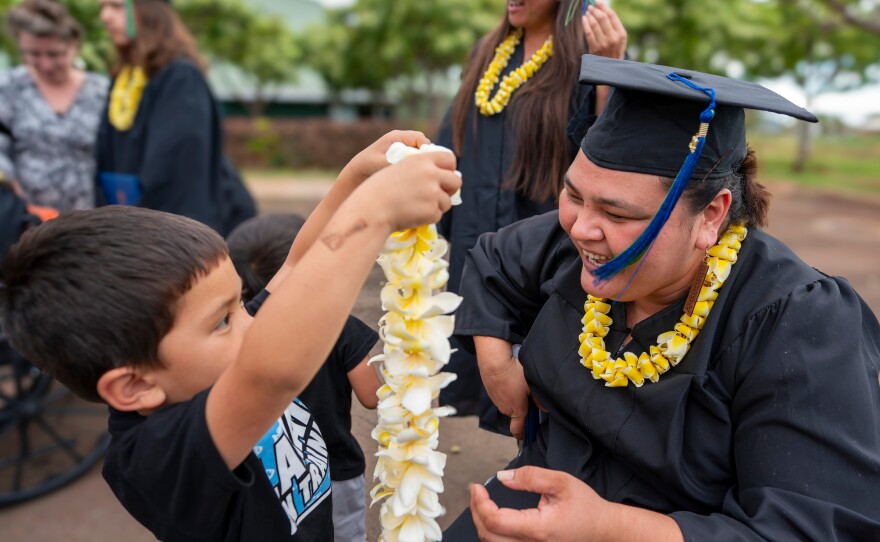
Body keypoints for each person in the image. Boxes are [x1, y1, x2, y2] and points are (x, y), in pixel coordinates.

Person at [445, 55, 880, 540]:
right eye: (574, 195)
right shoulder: (578, 244)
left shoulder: (799, 321)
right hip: (534, 498)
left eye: (617, 212)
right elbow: (494, 260)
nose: (582, 229)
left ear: (713, 216)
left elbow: (807, 527)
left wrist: (608, 528)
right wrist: (496, 363)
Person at [0, 130, 460, 541]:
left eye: (240, 303)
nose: (252, 321)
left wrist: (356, 176)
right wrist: (372, 211)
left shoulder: (230, 345)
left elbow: (296, 265)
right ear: (135, 385)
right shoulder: (156, 458)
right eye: (222, 319)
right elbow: (270, 373)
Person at [436, 0, 627, 426]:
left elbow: (609, 158)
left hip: (544, 245)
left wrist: (610, 70)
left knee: (551, 384)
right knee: (490, 362)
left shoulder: (594, 51)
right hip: (480, 233)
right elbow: (453, 138)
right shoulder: (489, 52)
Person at [227, 213, 383, 542]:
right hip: (334, 469)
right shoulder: (339, 325)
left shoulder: (237, 334)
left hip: (269, 475)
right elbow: (373, 397)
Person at [94, 0, 255, 236]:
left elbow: (175, 174)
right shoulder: (125, 78)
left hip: (170, 236)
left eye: (116, 6)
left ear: (151, 14)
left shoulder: (180, 78)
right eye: (103, 6)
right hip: (131, 226)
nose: (104, 16)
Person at [1, 0, 108, 212]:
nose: (45, 65)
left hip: (89, 217)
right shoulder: (9, 87)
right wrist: (12, 191)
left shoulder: (101, 91)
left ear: (73, 46)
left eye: (54, 54)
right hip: (27, 218)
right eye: (33, 54)